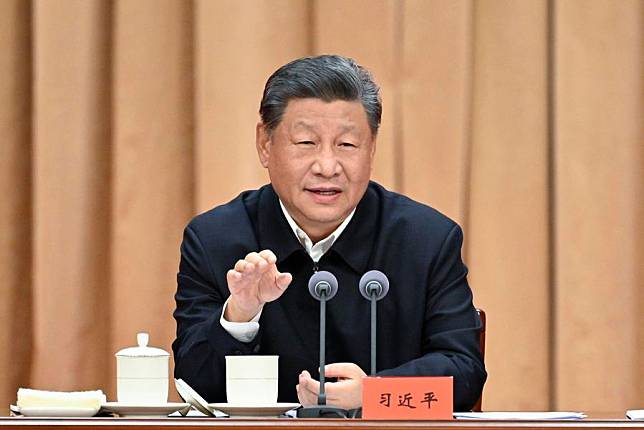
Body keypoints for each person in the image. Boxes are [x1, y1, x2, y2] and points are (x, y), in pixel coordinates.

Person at [172, 55, 486, 412]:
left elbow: (463, 375)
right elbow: (194, 385)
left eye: (347, 145)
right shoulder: (215, 239)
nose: (327, 167)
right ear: (265, 144)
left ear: (371, 148)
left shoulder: (426, 240)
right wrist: (240, 314)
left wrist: (375, 396)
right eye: (306, 143)